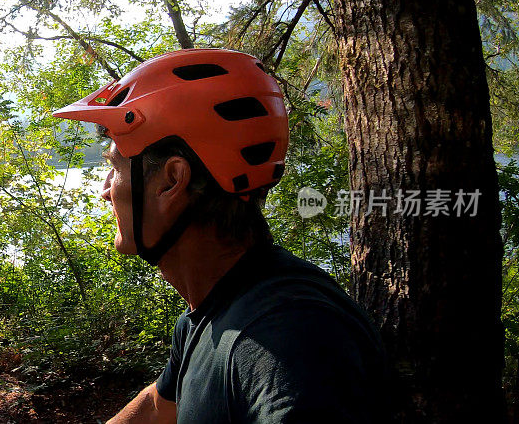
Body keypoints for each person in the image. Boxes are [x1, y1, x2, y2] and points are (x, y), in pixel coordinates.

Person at [53, 49, 387, 423]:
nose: (105, 190)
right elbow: (157, 407)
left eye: (115, 168)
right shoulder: (212, 310)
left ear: (172, 181)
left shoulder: (289, 338)